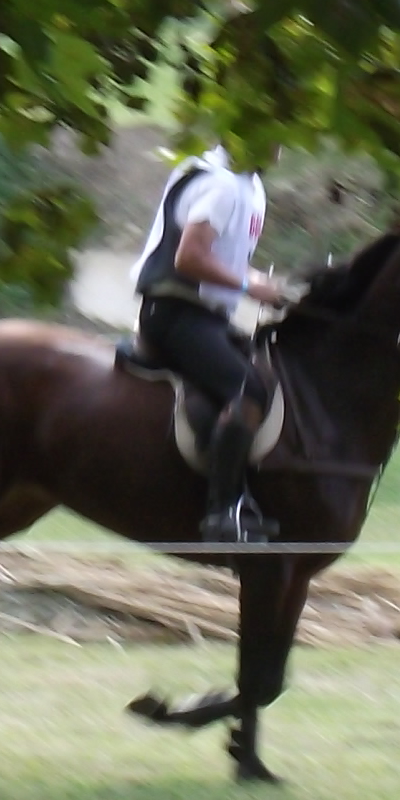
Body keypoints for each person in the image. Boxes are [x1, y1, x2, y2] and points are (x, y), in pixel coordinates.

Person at [131, 148, 291, 544]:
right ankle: (222, 512)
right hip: (175, 314)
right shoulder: (220, 184)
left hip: (206, 316)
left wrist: (263, 285)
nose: (279, 148)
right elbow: (190, 257)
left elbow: (225, 261)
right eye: (273, 136)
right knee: (247, 389)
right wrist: (248, 285)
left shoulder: (250, 186)